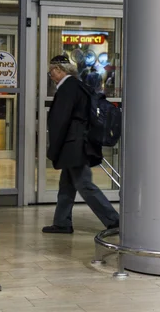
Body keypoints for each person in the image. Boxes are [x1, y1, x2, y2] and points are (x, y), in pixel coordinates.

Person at [42, 55, 119, 234]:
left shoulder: (67, 88)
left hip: (74, 145)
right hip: (78, 143)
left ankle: (114, 220)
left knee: (84, 184)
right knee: (67, 184)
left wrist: (54, 148)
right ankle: (62, 222)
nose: (51, 75)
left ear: (60, 70)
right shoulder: (77, 85)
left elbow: (61, 121)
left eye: (51, 71)